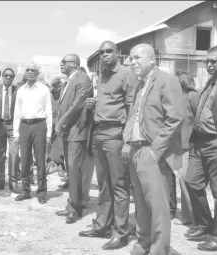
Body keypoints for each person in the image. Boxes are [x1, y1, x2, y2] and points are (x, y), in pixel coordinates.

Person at [122, 43, 184, 255]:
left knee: (158, 207)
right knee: (140, 202)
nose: (133, 62)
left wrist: (155, 150)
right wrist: (127, 141)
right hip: (135, 150)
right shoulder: (140, 85)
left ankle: (160, 249)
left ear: (152, 59)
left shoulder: (167, 81)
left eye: (138, 57)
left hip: (152, 152)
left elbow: (175, 117)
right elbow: (135, 117)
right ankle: (144, 242)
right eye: (131, 58)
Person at [78, 41, 135, 250]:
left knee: (119, 184)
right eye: (101, 52)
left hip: (115, 133)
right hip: (99, 132)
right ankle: (102, 225)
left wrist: (127, 138)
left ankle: (121, 232)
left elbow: (131, 107)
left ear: (118, 53)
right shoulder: (101, 76)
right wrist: (91, 106)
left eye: (108, 51)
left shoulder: (126, 74)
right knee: (103, 183)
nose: (104, 55)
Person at [185, 45, 217, 252]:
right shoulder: (210, 82)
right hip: (200, 142)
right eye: (207, 61)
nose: (209, 65)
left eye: (214, 61)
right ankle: (205, 225)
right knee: (191, 181)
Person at [54, 54, 93, 224]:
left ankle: (76, 208)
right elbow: (62, 106)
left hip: (76, 131)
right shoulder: (68, 81)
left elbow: (76, 105)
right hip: (67, 131)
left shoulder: (82, 79)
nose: (61, 64)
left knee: (74, 169)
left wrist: (61, 123)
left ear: (75, 64)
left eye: (65, 61)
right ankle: (72, 204)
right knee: (70, 171)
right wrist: (59, 122)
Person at [13, 62, 52, 204]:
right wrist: (16, 133)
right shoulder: (21, 90)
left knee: (40, 160)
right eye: (27, 70)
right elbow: (17, 112)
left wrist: (48, 134)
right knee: (24, 159)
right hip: (24, 125)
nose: (29, 72)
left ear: (37, 73)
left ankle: (42, 192)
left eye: (32, 70)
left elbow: (48, 111)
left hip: (39, 125)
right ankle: (25, 190)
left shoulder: (44, 90)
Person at [173, 70, 200, 226]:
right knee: (182, 180)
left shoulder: (192, 97)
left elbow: (201, 118)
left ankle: (195, 218)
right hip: (180, 145)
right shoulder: (179, 98)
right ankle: (187, 217)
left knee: (186, 180)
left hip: (191, 145)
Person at [0, 68, 20, 194]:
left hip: (12, 124)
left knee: (14, 154)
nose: (8, 78)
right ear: (2, 77)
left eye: (11, 76)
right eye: (6, 75)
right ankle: (0, 181)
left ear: (13, 78)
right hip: (0, 125)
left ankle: (13, 182)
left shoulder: (17, 91)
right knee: (0, 155)